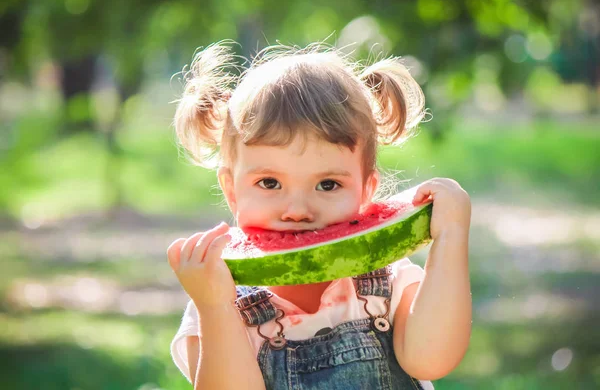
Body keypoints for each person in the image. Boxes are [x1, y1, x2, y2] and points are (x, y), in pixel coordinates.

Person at [166, 41, 472, 390]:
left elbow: (431, 359)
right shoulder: (215, 303)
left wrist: (450, 236)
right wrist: (215, 308)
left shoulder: (389, 285)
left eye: (327, 185)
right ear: (232, 190)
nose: (298, 211)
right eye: (269, 182)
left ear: (366, 191)